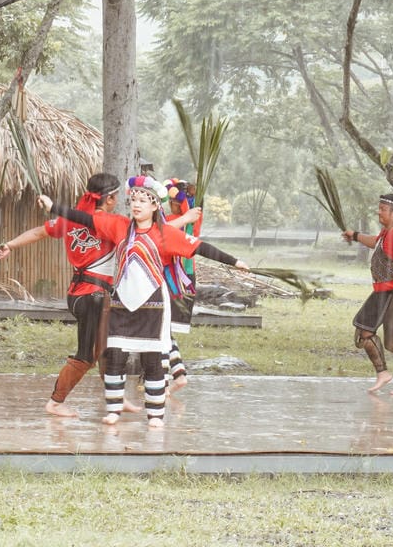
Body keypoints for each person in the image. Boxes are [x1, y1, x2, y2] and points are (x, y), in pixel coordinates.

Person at [39, 175, 247, 428]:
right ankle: (114, 410)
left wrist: (235, 262)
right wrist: (53, 208)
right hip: (123, 303)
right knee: (114, 355)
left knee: (152, 359)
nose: (136, 205)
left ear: (154, 206)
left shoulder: (166, 234)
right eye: (134, 200)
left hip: (154, 305)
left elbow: (201, 247)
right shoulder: (118, 226)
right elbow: (84, 218)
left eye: (143, 201)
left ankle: (156, 416)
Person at [0, 172, 122, 418]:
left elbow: (39, 232)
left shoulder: (71, 220)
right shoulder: (110, 222)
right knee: (86, 355)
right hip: (93, 296)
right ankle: (56, 402)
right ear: (110, 199)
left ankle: (116, 398)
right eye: (116, 197)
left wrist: (8, 245)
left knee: (107, 348)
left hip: (78, 294)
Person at [342, 192, 393, 397]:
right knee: (363, 332)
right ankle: (383, 372)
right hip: (382, 293)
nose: (379, 212)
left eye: (383, 209)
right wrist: (356, 235)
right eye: (380, 208)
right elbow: (375, 242)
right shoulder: (388, 232)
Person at [163, 178, 198, 392]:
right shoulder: (191, 222)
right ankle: (177, 373)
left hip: (174, 279)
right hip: (182, 278)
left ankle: (166, 379)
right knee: (164, 330)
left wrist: (172, 190)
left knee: (160, 330)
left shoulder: (178, 220)